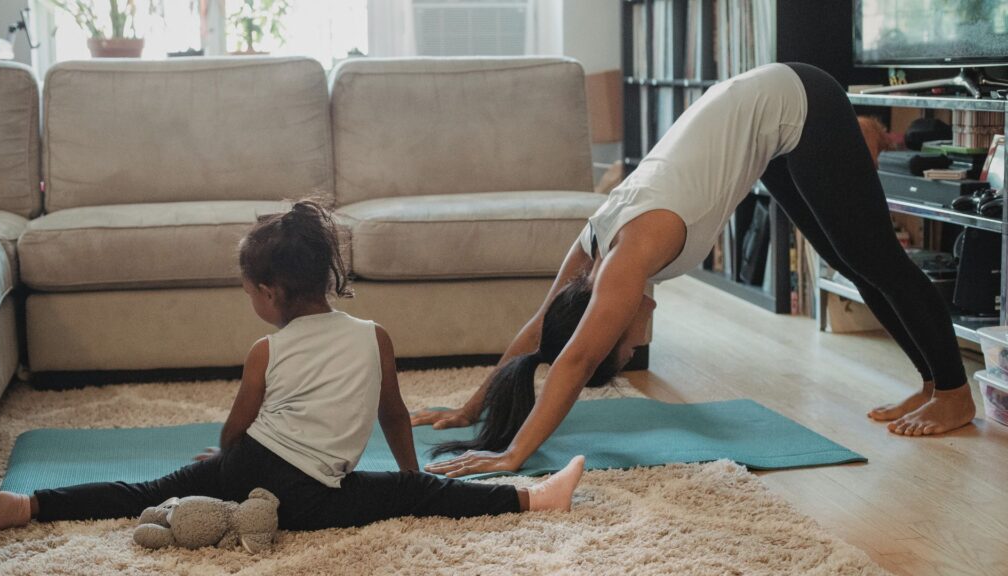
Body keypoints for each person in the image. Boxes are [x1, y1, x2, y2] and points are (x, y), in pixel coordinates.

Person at [414, 62, 976, 479]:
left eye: (623, 349)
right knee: (846, 259)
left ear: (611, 312)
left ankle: (954, 391)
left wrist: (515, 453)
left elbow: (576, 358)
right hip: (764, 118)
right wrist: (471, 406)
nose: (630, 350)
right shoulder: (592, 248)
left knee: (876, 255)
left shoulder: (627, 260)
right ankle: (929, 381)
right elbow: (540, 331)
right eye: (628, 353)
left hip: (798, 98)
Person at [0, 200, 586, 537]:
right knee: (410, 495)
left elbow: (235, 430)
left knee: (145, 491)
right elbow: (396, 417)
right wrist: (412, 479)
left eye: (248, 291)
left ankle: (24, 506)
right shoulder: (375, 338)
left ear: (270, 293)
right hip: (306, 494)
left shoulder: (264, 351)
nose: (250, 301)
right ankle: (533, 502)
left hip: (252, 465)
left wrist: (223, 465)